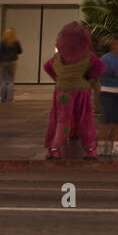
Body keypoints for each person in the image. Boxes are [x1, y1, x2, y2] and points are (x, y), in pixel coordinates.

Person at [43, 22, 105, 160]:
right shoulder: (88, 57)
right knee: (85, 119)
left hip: (62, 92)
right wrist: (89, 78)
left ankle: (53, 149)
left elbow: (47, 67)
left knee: (61, 120)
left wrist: (58, 78)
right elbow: (100, 67)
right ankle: (90, 149)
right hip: (82, 90)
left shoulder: (59, 57)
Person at [0, 28, 22, 104]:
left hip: (4, 62)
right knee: (11, 80)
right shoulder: (16, 41)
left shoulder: (3, 42)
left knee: (4, 80)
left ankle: (3, 98)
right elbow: (20, 51)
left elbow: (0, 52)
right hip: (13, 61)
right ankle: (10, 98)